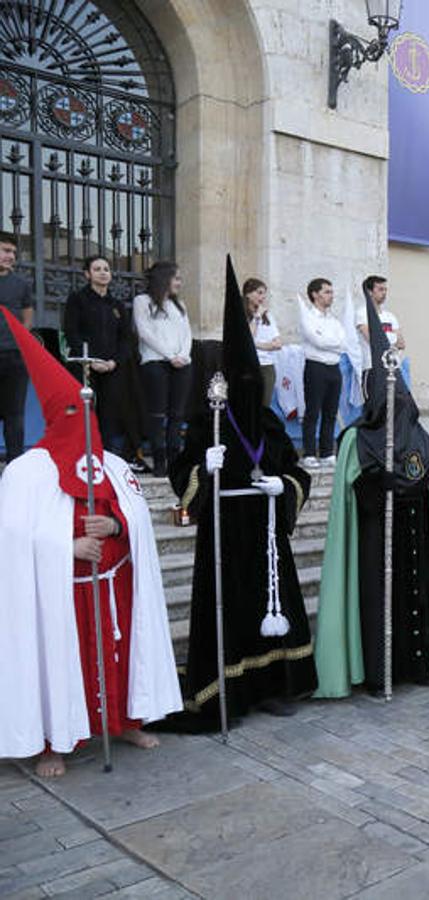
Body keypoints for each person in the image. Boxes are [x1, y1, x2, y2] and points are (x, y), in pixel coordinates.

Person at [0, 307, 181, 777]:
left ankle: (125, 721)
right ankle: (53, 743)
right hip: (59, 594)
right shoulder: (26, 472)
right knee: (63, 664)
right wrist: (67, 544)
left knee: (120, 658)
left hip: (114, 585)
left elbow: (137, 517)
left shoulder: (116, 465)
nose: (80, 421)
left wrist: (118, 526)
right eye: (69, 412)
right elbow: (13, 539)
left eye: (86, 412)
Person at [168, 258, 316, 724]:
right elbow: (181, 471)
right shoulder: (206, 420)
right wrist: (201, 467)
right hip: (226, 530)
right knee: (231, 608)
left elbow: (298, 473)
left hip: (268, 531)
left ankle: (275, 686)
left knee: (271, 609)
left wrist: (282, 485)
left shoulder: (269, 422)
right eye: (243, 380)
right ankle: (229, 690)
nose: (251, 387)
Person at [312, 292, 429, 697]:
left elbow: (427, 480)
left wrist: (408, 485)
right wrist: (375, 486)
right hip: (375, 537)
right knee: (380, 603)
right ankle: (380, 671)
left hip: (414, 534)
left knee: (417, 597)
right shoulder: (356, 440)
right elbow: (351, 492)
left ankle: (419, 664)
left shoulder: (418, 436)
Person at [62, 254, 138, 461]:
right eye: (97, 269)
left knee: (110, 413)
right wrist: (90, 361)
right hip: (86, 366)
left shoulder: (117, 304)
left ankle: (105, 456)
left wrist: (114, 361)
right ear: (87, 274)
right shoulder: (78, 299)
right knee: (85, 411)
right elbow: (71, 332)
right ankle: (81, 454)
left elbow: (125, 339)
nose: (103, 272)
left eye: (106, 269)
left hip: (112, 367)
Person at [133, 261, 193, 476]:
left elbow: (187, 333)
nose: (179, 282)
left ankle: (175, 458)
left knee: (177, 415)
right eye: (176, 278)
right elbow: (145, 333)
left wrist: (184, 356)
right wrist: (170, 356)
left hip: (181, 364)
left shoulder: (180, 305)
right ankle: (159, 460)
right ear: (164, 278)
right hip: (155, 363)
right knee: (157, 414)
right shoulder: (143, 301)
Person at [297, 277, 345, 469]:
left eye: (331, 292)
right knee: (313, 411)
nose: (331, 296)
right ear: (315, 294)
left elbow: (343, 342)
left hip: (334, 367)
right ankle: (309, 452)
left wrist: (331, 343)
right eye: (327, 292)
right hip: (315, 366)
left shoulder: (334, 320)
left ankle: (326, 452)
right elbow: (318, 341)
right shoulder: (308, 317)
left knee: (331, 412)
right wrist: (332, 343)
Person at [0, 232, 34, 462]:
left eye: (13, 252)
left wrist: (21, 344)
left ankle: (15, 467)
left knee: (15, 416)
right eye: (5, 250)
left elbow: (27, 319)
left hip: (14, 357)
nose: (10, 256)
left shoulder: (22, 284)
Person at [242, 278, 282, 406]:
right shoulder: (243, 315)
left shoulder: (268, 316)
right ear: (248, 294)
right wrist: (256, 317)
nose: (263, 297)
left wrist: (255, 345)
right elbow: (247, 338)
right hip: (248, 365)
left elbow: (278, 344)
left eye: (264, 293)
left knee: (264, 406)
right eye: (259, 293)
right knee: (248, 404)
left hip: (267, 366)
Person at [356, 275, 405, 352]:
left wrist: (382, 337)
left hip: (390, 362)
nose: (384, 293)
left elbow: (401, 344)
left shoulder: (390, 316)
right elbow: (373, 340)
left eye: (385, 290)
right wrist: (392, 337)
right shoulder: (362, 313)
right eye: (380, 289)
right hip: (371, 362)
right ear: (370, 292)